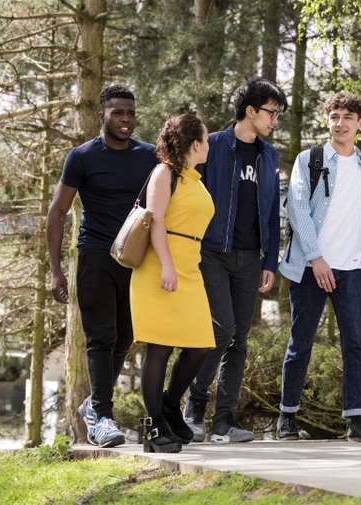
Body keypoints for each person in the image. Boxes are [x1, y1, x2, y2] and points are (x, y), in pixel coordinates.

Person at [46, 84, 157, 447]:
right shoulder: (82, 157)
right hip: (95, 255)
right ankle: (103, 418)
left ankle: (94, 403)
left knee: (125, 337)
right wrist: (56, 271)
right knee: (101, 336)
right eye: (117, 113)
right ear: (102, 116)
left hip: (135, 258)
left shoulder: (148, 156)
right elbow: (57, 212)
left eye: (130, 113)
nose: (125, 119)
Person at [276, 91, 361, 443]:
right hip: (312, 267)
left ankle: (357, 421)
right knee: (300, 343)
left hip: (352, 269)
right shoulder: (310, 160)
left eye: (347, 118)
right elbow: (297, 208)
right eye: (334, 117)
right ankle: (287, 418)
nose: (340, 124)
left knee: (356, 345)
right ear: (327, 121)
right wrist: (316, 258)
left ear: (360, 124)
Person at [183, 78, 286, 443]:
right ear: (250, 110)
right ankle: (194, 408)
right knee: (220, 330)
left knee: (239, 339)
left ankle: (224, 421)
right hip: (212, 252)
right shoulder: (213, 147)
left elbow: (271, 211)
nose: (275, 120)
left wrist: (270, 261)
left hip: (250, 257)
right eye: (271, 112)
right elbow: (190, 195)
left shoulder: (269, 155)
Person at [130, 112, 215, 453]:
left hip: (190, 269)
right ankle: (153, 429)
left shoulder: (194, 178)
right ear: (194, 144)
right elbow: (157, 221)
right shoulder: (164, 173)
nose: (208, 144)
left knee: (200, 344)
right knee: (160, 348)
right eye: (206, 139)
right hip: (160, 267)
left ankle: (167, 407)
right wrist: (166, 265)